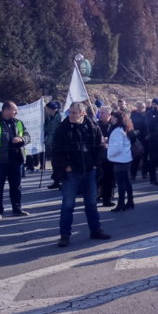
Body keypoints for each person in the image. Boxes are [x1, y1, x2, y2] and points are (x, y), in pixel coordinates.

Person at [52, 102, 111, 247]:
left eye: (74, 112)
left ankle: (96, 230)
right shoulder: (62, 128)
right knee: (68, 205)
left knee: (91, 203)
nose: (71, 115)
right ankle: (64, 235)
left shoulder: (92, 127)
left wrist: (97, 164)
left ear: (82, 113)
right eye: (70, 112)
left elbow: (101, 147)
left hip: (90, 171)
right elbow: (56, 151)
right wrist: (65, 166)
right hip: (72, 172)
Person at [0, 101, 31, 221]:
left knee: (16, 186)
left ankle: (17, 209)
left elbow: (28, 136)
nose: (16, 112)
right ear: (6, 110)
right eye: (14, 110)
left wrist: (21, 138)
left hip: (16, 159)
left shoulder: (18, 122)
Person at [107, 110, 134, 212]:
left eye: (113, 117)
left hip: (119, 159)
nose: (111, 119)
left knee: (121, 183)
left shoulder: (117, 131)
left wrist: (109, 152)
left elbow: (117, 147)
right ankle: (130, 201)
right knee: (127, 182)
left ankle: (121, 203)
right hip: (126, 158)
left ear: (117, 118)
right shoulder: (124, 128)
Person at [97, 107, 115, 208]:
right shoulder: (96, 124)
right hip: (100, 154)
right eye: (100, 112)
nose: (100, 114)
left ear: (109, 114)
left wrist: (109, 139)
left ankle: (107, 197)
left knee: (110, 177)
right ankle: (100, 193)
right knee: (100, 176)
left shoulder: (113, 125)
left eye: (102, 113)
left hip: (111, 154)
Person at [145, 98, 158, 185]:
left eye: (156, 104)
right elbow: (149, 125)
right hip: (153, 140)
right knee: (153, 160)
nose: (155, 106)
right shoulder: (149, 113)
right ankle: (153, 179)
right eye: (153, 104)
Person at [44, 101, 62, 189]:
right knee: (54, 163)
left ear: (51, 109)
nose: (46, 111)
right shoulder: (50, 118)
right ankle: (56, 181)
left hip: (58, 143)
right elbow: (47, 128)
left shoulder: (59, 117)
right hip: (51, 143)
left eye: (47, 109)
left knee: (58, 163)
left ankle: (60, 181)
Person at [129, 101, 148, 181]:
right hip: (135, 138)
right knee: (135, 157)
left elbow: (149, 126)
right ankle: (133, 174)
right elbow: (130, 125)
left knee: (145, 157)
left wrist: (148, 134)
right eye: (138, 107)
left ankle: (144, 173)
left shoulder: (147, 115)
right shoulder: (133, 115)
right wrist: (133, 132)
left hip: (145, 138)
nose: (139, 108)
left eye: (141, 107)